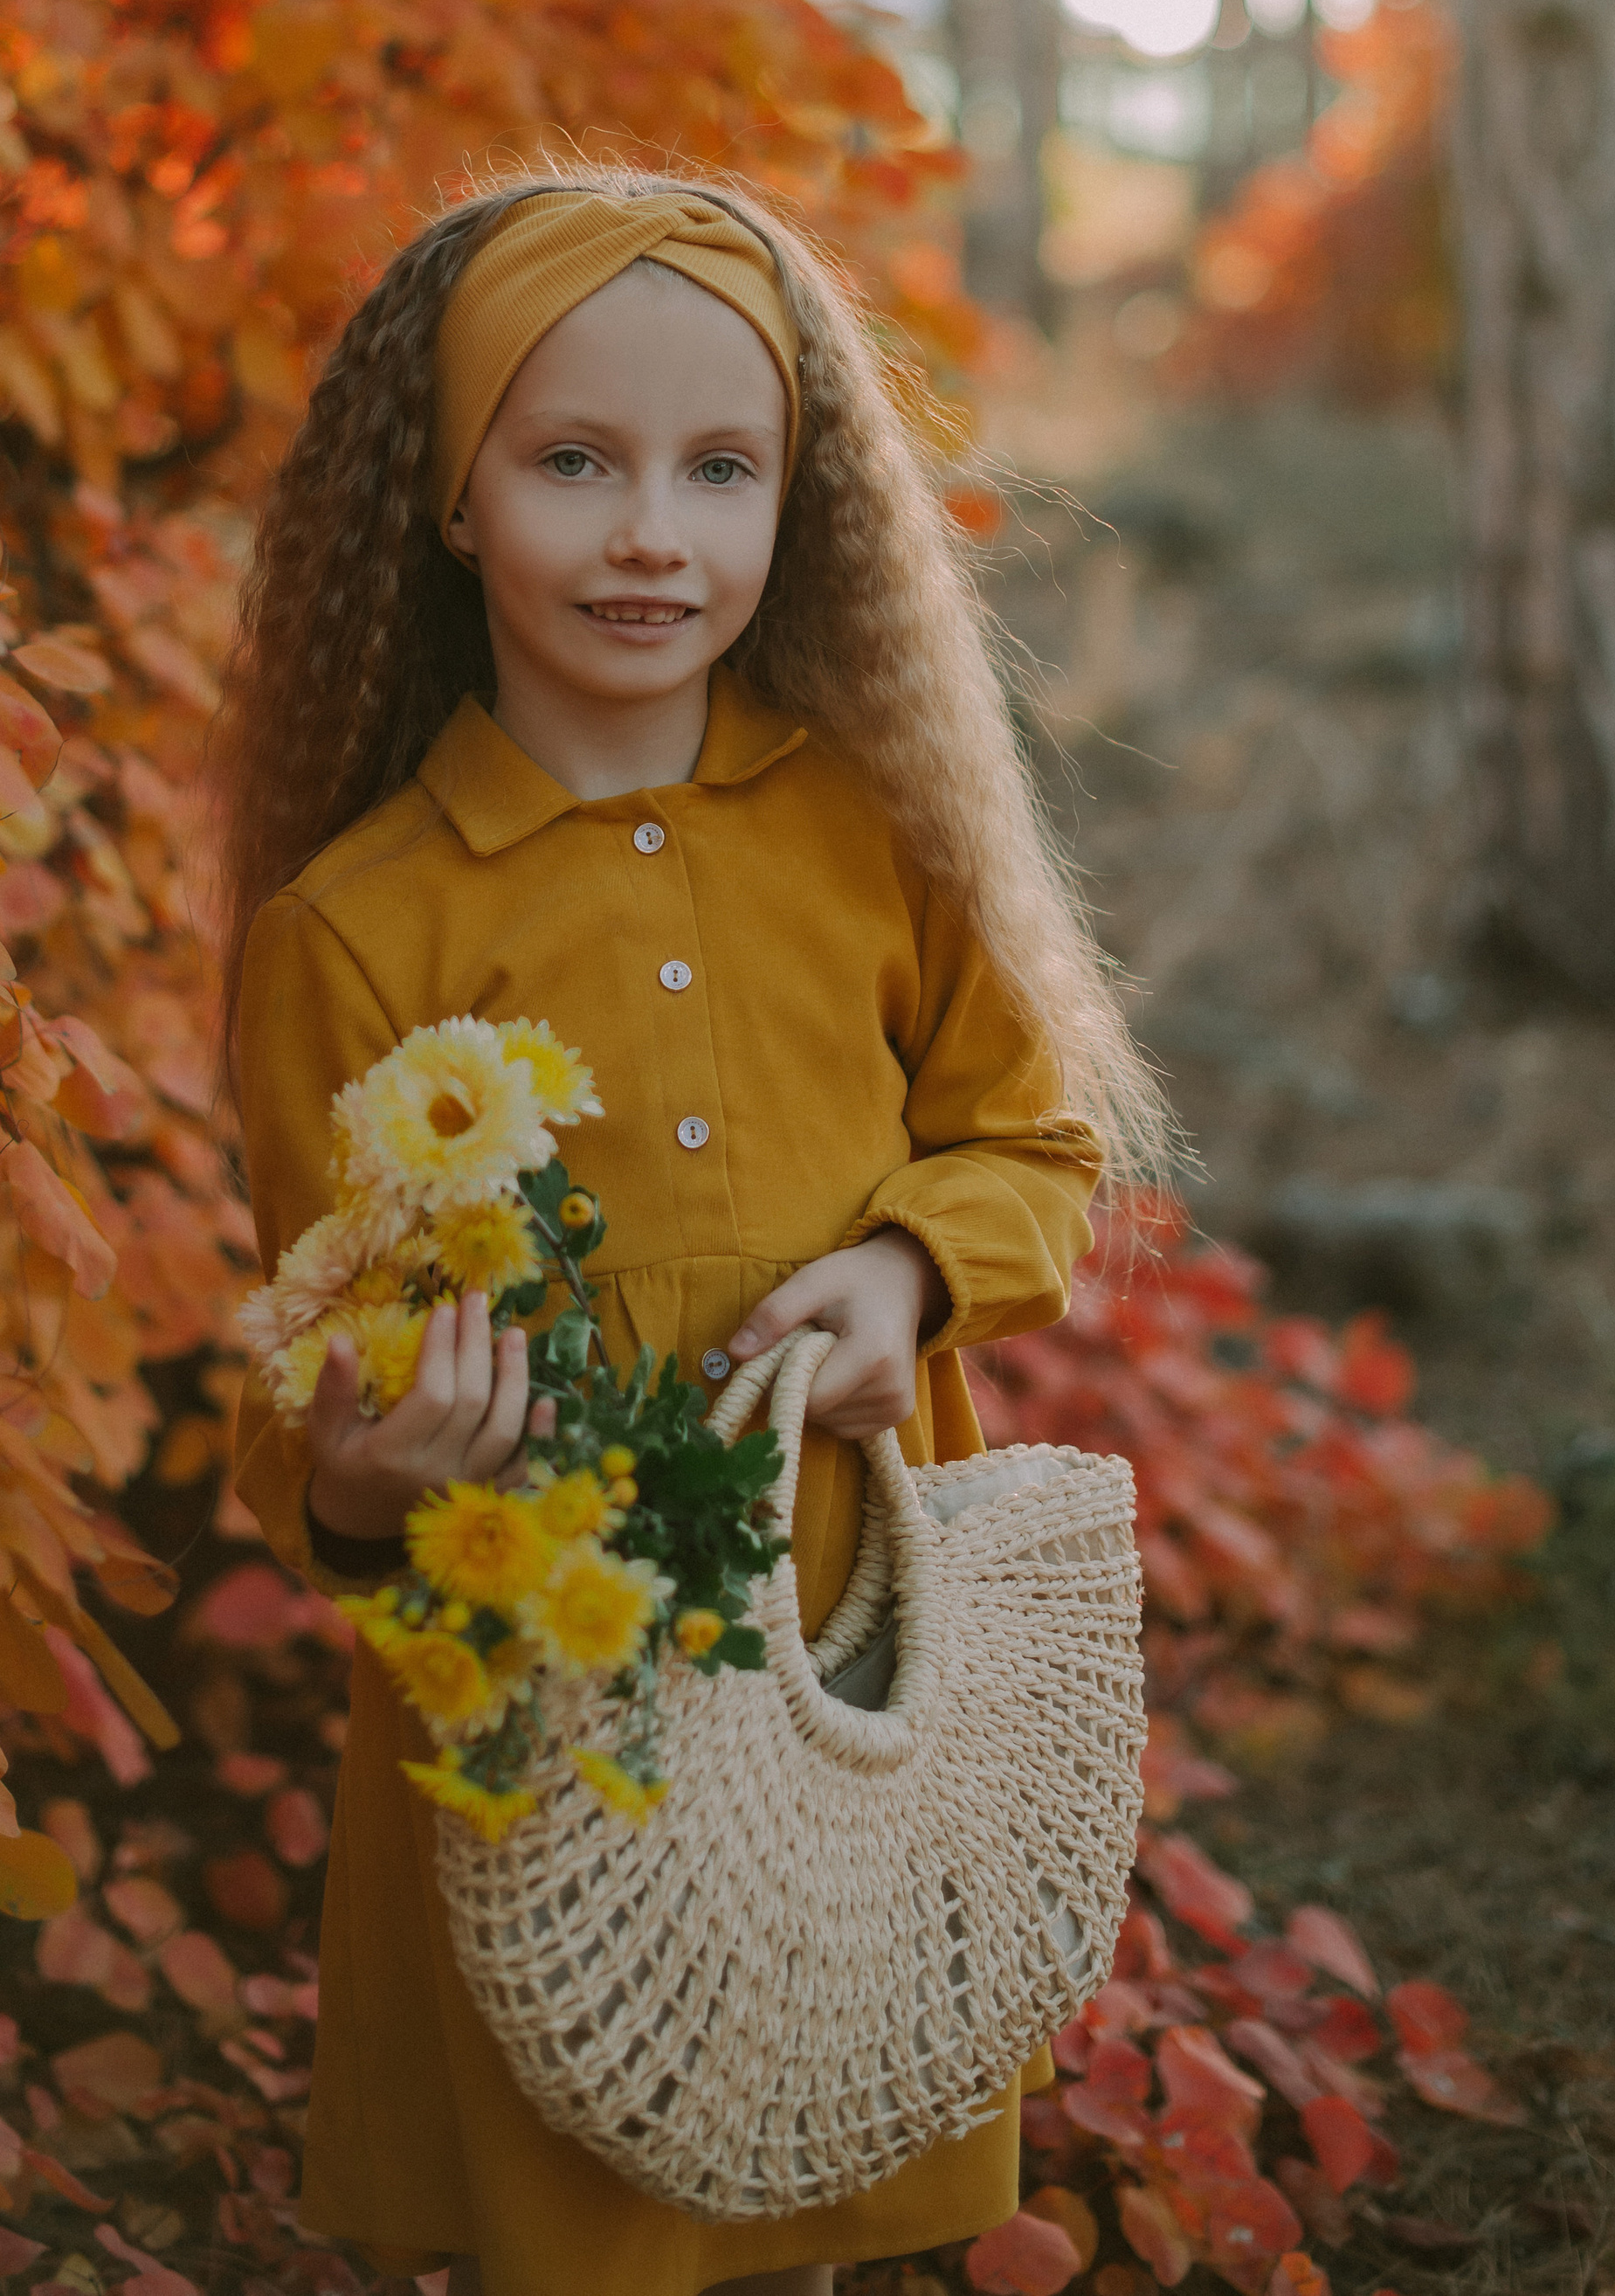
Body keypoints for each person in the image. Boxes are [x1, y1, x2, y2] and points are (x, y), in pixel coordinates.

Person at [217, 167, 1164, 2296]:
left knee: (796, 2146)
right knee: (593, 2206)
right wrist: (369, 1472)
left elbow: (1028, 1137)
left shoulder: (871, 824)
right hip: (555, 1700)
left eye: (717, 470)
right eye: (573, 462)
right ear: (455, 502)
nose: (653, 531)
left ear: (792, 506)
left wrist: (909, 1267)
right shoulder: (360, 928)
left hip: (842, 1605)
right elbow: (316, 1377)